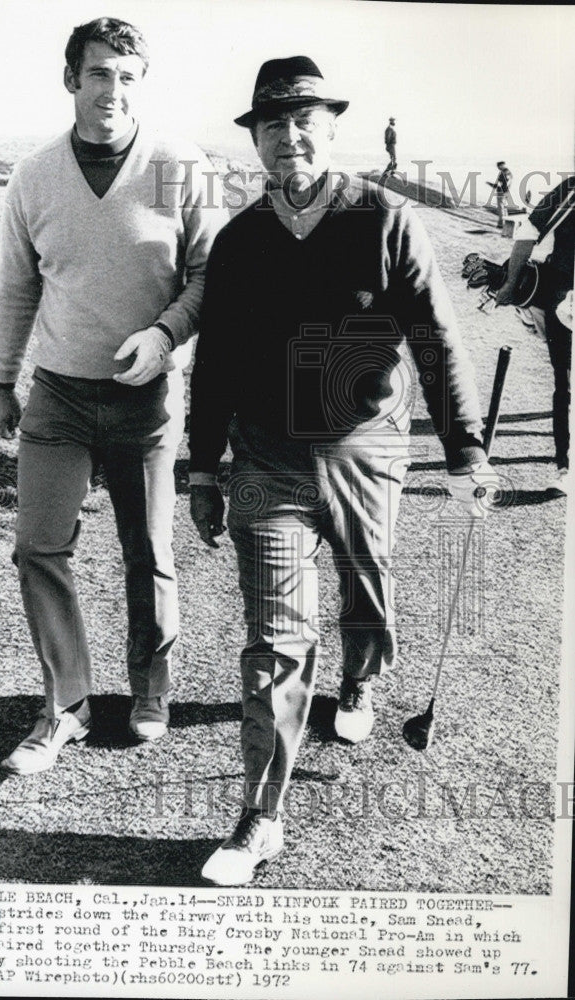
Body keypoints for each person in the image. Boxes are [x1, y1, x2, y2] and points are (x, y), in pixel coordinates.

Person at [188, 56, 495, 885]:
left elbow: (434, 341)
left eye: (305, 121)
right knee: (275, 639)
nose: (289, 137)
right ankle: (260, 816)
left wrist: (466, 452)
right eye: (273, 124)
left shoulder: (385, 218)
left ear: (331, 129)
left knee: (368, 597)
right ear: (254, 139)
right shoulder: (242, 238)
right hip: (267, 456)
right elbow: (213, 359)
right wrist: (204, 467)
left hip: (365, 447)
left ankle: (359, 684)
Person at [0, 16, 226, 773]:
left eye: (127, 77)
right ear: (71, 81)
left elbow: (209, 276)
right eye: (98, 75)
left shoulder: (181, 164)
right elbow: (18, 285)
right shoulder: (33, 176)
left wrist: (162, 337)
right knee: (37, 548)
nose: (112, 91)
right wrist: (1, 379)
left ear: (141, 84)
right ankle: (67, 705)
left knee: (148, 551)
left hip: (146, 401)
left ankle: (150, 690)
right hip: (57, 394)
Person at [495, 174, 575, 495]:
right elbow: (528, 231)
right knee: (565, 381)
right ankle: (565, 464)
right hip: (565, 299)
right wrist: (512, 284)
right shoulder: (570, 190)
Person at [487, 161, 512, 229]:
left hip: (501, 192)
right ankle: (506, 224)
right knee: (504, 208)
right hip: (506, 192)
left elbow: (500, 184)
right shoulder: (509, 172)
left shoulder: (503, 173)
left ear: (502, 165)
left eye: (498, 166)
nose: (498, 168)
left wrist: (491, 184)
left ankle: (501, 224)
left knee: (501, 208)